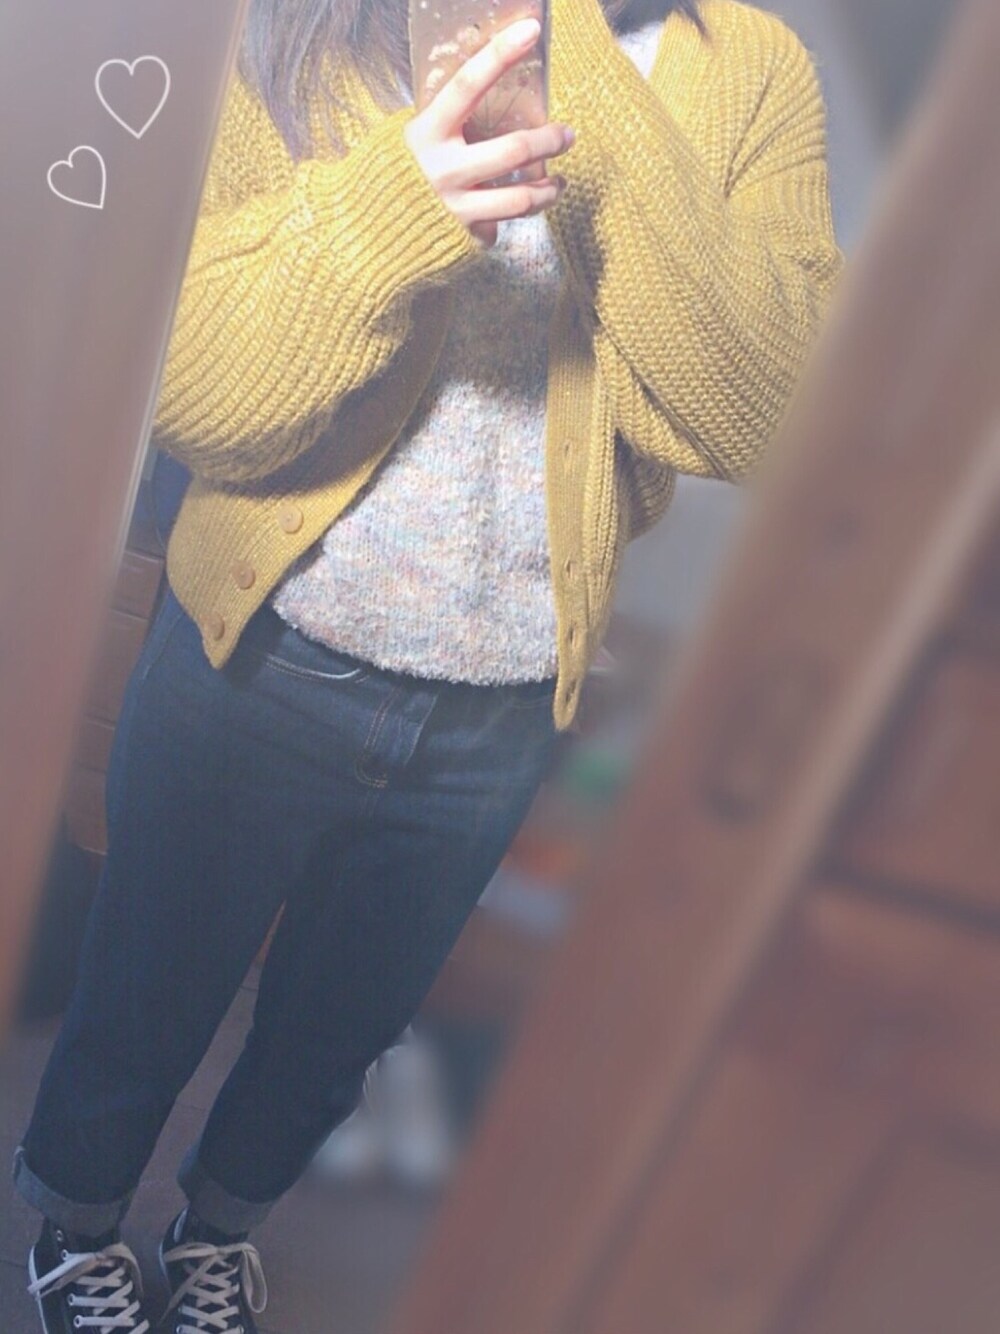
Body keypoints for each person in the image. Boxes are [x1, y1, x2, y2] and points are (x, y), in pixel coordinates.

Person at [13, 0, 843, 1330]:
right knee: (143, 997)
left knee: (335, 1039)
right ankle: (74, 1225)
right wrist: (396, 203)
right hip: (254, 664)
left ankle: (217, 1230)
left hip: (503, 708)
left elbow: (774, 411)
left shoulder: (749, 67)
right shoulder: (285, 26)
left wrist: (580, 73)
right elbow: (204, 399)